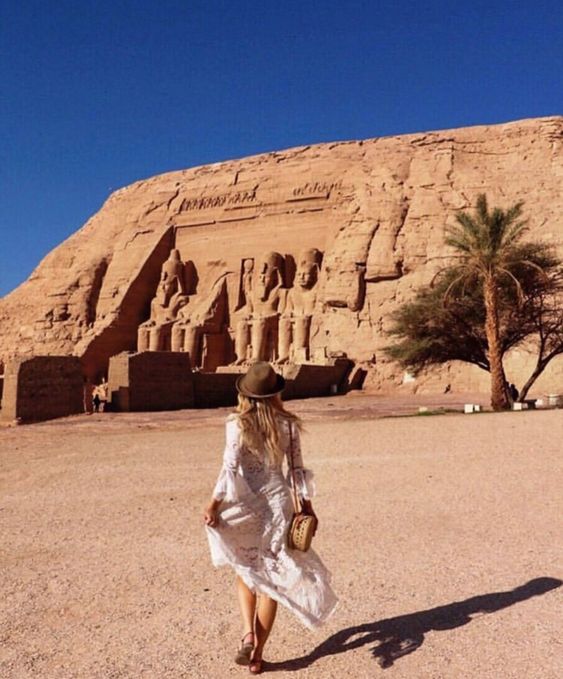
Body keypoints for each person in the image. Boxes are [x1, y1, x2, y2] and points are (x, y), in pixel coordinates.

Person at [203, 362, 338, 674]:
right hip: (278, 506)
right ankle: (257, 655)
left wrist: (212, 505)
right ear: (276, 393)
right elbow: (297, 471)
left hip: (244, 505)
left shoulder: (236, 423)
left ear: (246, 394)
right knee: (271, 582)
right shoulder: (287, 425)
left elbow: (229, 468)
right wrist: (307, 506)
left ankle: (247, 633)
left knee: (245, 568)